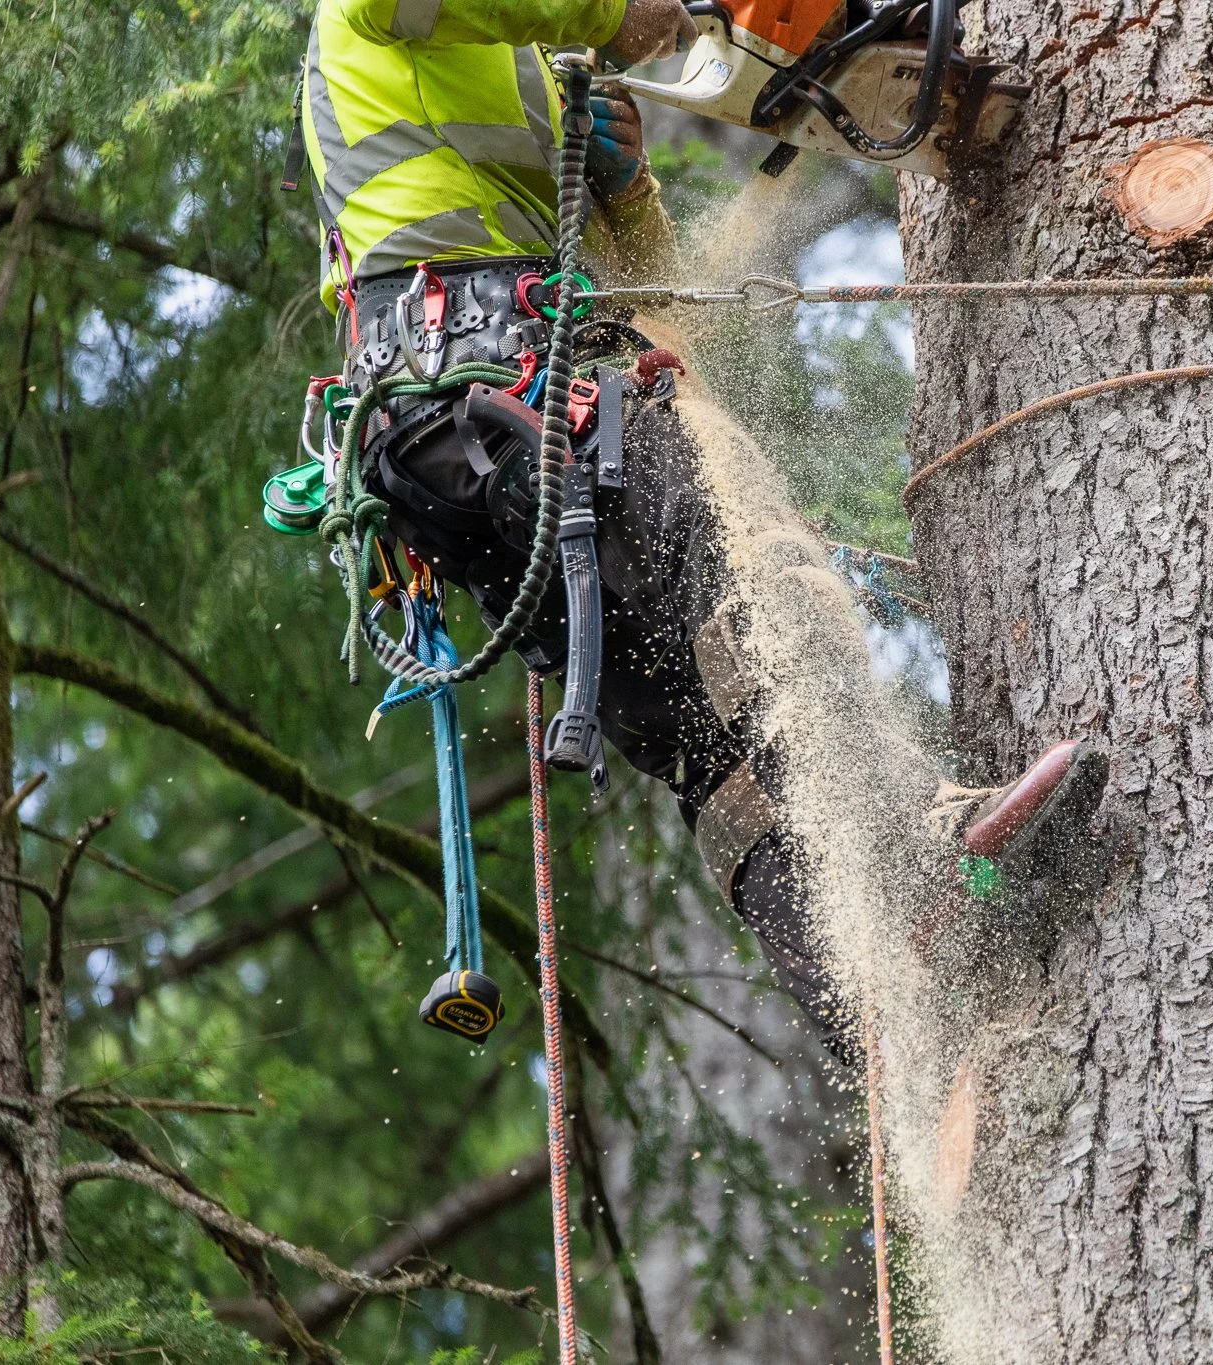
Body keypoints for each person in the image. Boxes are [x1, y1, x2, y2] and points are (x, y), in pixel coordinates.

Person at [297, 0, 1107, 1048]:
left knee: (707, 741)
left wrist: (625, 189)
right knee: (756, 562)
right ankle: (915, 847)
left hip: (478, 456)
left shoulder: (540, 69)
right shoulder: (379, 18)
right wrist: (620, 17)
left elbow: (644, 290)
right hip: (492, 399)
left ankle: (884, 1014)